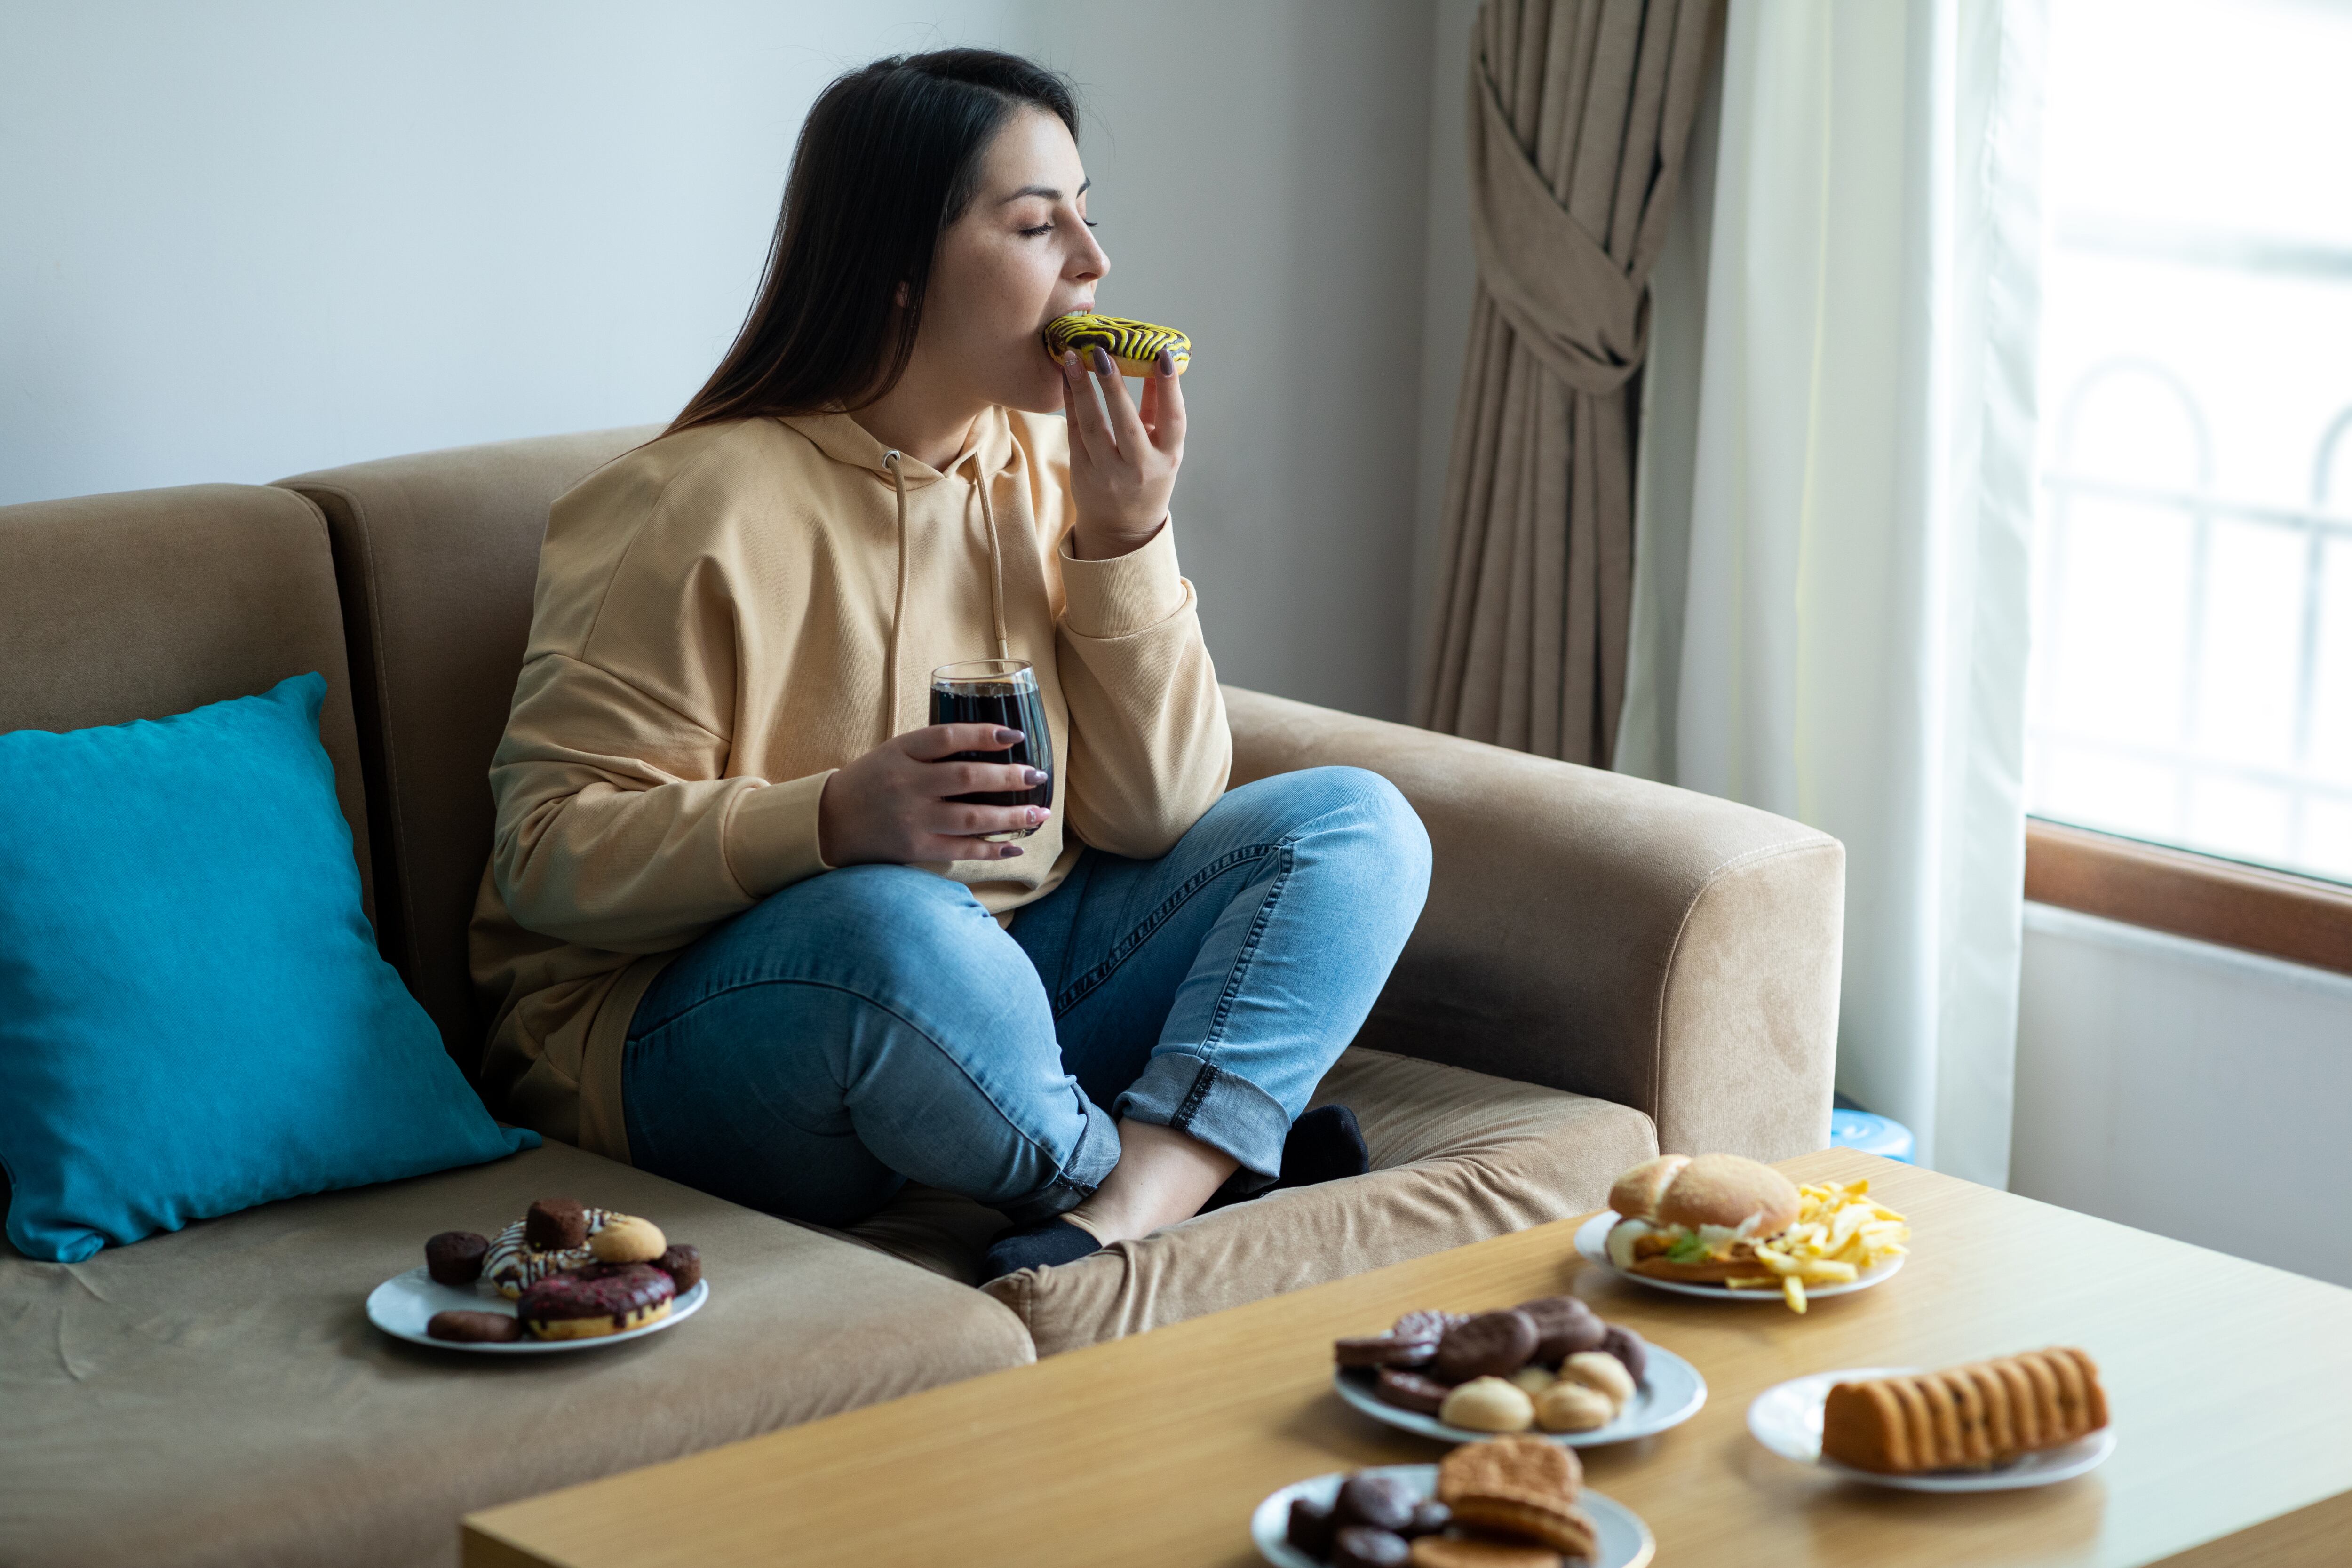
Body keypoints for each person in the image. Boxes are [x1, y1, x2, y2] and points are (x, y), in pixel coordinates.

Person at [470, 48, 1431, 1280]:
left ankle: (1133, 1205)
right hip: (715, 1038)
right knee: (900, 926)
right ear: (900, 269)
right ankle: (1183, 1167)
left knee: (1356, 825)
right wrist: (827, 818)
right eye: (1039, 225)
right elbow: (545, 855)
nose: (1091, 264)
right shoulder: (681, 510)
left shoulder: (1049, 480)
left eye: (1090, 218)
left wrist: (1125, 538)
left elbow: (1155, 815)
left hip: (1003, 994)